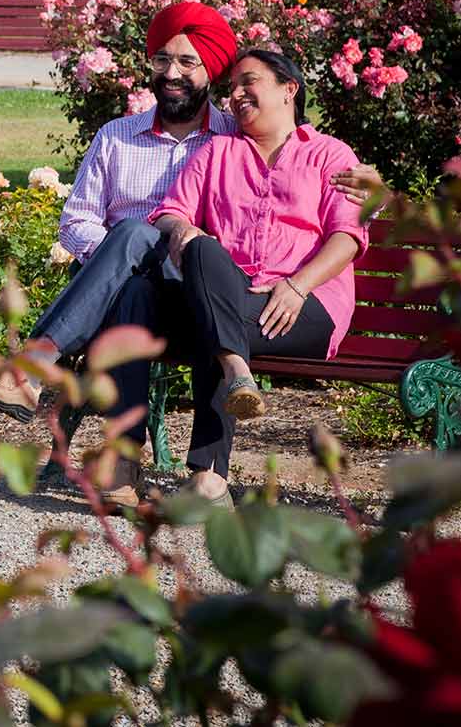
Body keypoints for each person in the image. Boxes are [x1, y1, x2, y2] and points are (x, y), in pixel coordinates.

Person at [145, 48, 367, 503]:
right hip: (235, 299)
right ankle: (234, 373)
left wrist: (297, 285)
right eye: (231, 89)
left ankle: (209, 478)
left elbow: (347, 236)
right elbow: (170, 212)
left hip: (307, 304)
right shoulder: (217, 152)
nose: (237, 95)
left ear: (290, 89)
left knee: (210, 320)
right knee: (201, 247)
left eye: (250, 82)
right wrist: (181, 228)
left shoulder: (331, 155)